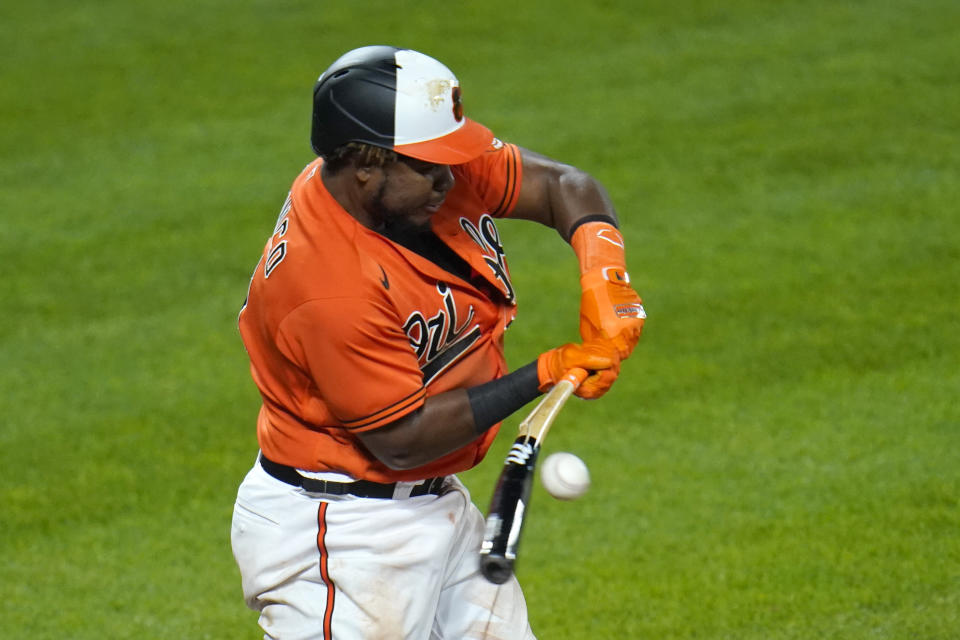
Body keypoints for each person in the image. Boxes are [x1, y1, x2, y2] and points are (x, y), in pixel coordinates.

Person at [231, 45, 645, 640]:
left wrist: (605, 273)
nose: (448, 179)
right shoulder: (327, 285)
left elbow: (563, 186)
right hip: (344, 535)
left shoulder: (410, 177)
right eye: (427, 166)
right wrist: (545, 373)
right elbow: (403, 439)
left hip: (432, 505)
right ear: (364, 165)